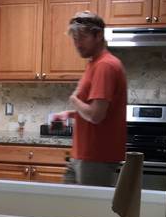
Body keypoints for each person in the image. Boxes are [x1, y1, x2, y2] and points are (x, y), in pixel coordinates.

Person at [53, 11, 127, 187]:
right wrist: (71, 113)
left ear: (99, 35)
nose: (77, 44)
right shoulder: (94, 63)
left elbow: (95, 115)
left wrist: (74, 101)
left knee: (88, 213)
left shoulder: (105, 66)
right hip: (82, 155)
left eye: (82, 37)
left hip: (96, 158)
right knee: (67, 207)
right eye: (74, 39)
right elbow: (96, 109)